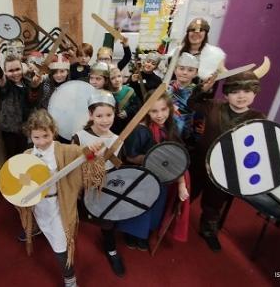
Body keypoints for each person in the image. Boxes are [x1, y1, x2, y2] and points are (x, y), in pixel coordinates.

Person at [16, 109, 105, 287]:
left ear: (53, 132)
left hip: (59, 205)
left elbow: (85, 155)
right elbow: (18, 182)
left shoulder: (65, 150)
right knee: (43, 228)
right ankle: (36, 228)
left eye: (45, 135)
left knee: (61, 245)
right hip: (39, 205)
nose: (41, 142)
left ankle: (69, 278)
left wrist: (93, 152)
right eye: (36, 137)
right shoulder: (27, 156)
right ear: (30, 136)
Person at [188, 68, 268, 252]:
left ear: (255, 92)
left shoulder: (258, 118)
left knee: (215, 202)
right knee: (187, 193)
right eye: (235, 91)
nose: (241, 96)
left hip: (226, 170)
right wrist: (202, 88)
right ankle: (175, 218)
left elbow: (260, 148)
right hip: (201, 162)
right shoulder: (214, 106)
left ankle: (208, 230)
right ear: (226, 93)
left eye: (247, 91)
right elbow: (193, 103)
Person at [117, 90, 190, 249]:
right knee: (138, 207)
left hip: (162, 178)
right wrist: (154, 158)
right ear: (146, 111)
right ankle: (131, 234)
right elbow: (130, 156)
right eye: (154, 111)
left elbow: (177, 156)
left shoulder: (171, 127)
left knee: (154, 209)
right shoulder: (141, 130)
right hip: (141, 179)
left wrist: (181, 183)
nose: (159, 115)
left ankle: (144, 234)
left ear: (169, 108)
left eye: (163, 109)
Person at [71, 91, 125, 277]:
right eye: (99, 115)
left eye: (109, 115)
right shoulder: (79, 136)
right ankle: (68, 250)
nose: (104, 120)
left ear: (114, 114)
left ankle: (111, 250)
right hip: (81, 187)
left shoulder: (118, 140)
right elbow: (71, 163)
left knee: (108, 222)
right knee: (73, 218)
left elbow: (118, 168)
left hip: (104, 189)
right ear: (90, 115)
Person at [0, 54, 40, 158]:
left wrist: (35, 87)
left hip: (24, 128)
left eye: (17, 69)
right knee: (11, 156)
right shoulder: (6, 85)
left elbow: (32, 102)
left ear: (22, 68)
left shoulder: (27, 83)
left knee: (23, 153)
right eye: (11, 71)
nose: (15, 73)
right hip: (9, 130)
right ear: (5, 72)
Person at [167, 53, 200, 146]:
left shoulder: (197, 91)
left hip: (187, 130)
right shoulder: (166, 87)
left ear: (196, 73)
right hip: (166, 126)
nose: (185, 72)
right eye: (181, 68)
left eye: (190, 70)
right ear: (175, 70)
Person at [109, 65, 140, 134]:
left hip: (127, 124)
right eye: (113, 78)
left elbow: (136, 106)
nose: (117, 80)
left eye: (119, 76)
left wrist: (127, 112)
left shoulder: (129, 91)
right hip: (113, 126)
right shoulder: (107, 93)